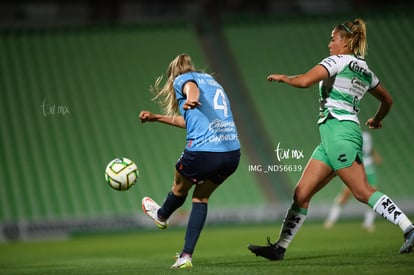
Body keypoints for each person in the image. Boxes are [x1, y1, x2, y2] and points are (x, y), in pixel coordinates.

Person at [248, 18, 414, 261]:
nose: (329, 44)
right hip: (333, 137)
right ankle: (280, 248)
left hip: (339, 132)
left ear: (345, 42)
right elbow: (387, 100)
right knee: (301, 194)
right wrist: (377, 119)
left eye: (333, 39)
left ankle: (409, 228)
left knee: (361, 191)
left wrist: (285, 77)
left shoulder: (337, 60)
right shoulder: (365, 70)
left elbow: (305, 81)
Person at [139, 53, 241, 269]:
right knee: (201, 198)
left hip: (203, 152)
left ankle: (162, 215)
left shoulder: (182, 79)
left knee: (179, 185)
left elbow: (191, 89)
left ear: (172, 76)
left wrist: (191, 98)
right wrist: (157, 118)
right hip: (231, 153)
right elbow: (190, 122)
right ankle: (186, 256)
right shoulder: (212, 82)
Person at [324, 131, 382, 231]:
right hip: (357, 167)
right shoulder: (350, 134)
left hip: (369, 169)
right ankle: (331, 219)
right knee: (346, 194)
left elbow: (369, 148)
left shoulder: (366, 135)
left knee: (373, 194)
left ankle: (368, 223)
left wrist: (375, 155)